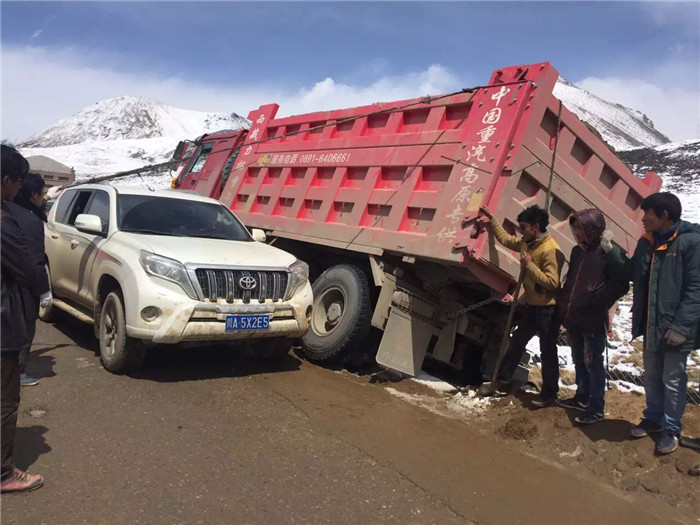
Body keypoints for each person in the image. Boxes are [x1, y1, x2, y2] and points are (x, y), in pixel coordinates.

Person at [607, 192, 700, 454]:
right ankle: (653, 418)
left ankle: (671, 428)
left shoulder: (691, 242)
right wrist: (611, 251)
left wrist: (682, 327)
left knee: (673, 379)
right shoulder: (646, 242)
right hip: (651, 322)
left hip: (675, 327)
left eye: (647, 213)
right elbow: (631, 273)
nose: (643, 219)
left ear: (664, 215)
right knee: (651, 376)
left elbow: (696, 289)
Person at [478, 205, 566, 407]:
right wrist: (493, 220)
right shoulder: (529, 243)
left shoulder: (550, 250)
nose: (521, 232)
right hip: (533, 307)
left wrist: (530, 265)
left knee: (547, 351)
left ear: (536, 227)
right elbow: (507, 240)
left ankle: (549, 393)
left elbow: (553, 283)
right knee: (517, 342)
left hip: (548, 310)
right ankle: (501, 381)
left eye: (524, 227)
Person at [556, 209, 629, 424]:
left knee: (593, 363)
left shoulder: (609, 252)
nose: (577, 234)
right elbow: (571, 281)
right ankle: (582, 396)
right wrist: (564, 303)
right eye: (575, 229)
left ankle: (596, 409)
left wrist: (598, 299)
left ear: (593, 229)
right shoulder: (577, 252)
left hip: (593, 318)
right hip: (575, 315)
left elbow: (621, 284)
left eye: (581, 229)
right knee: (578, 358)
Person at [1, 143, 43, 493]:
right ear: (5, 181)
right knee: (5, 398)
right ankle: (3, 473)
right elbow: (27, 266)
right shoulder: (4, 219)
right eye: (16, 182)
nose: (18, 189)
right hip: (2, 323)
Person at [11, 172, 52, 386]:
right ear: (33, 193)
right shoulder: (31, 221)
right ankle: (18, 373)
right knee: (25, 330)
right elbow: (36, 259)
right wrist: (44, 290)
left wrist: (45, 199)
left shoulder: (9, 209)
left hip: (8, 284)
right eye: (42, 193)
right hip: (23, 288)